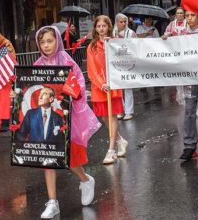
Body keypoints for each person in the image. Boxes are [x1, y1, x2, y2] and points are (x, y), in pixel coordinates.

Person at [33, 26, 101, 219]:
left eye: (50, 41)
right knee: (48, 159)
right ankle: (53, 202)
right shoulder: (37, 64)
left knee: (68, 157)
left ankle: (85, 179)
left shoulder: (66, 60)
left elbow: (78, 83)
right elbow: (31, 88)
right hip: (46, 118)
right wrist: (17, 93)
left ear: (57, 41)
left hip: (65, 117)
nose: (46, 45)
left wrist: (71, 93)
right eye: (43, 42)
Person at [172, 10, 198, 160]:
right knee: (189, 112)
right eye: (187, 16)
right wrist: (166, 40)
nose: (189, 18)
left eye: (192, 15)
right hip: (189, 79)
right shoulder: (182, 34)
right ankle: (189, 146)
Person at [87, 15, 128, 164]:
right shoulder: (91, 47)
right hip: (99, 87)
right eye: (98, 26)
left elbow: (124, 59)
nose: (101, 29)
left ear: (109, 27)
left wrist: (110, 44)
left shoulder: (114, 43)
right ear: (95, 29)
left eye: (104, 26)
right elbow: (91, 69)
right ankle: (120, 140)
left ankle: (111, 150)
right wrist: (101, 83)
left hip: (113, 85)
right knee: (105, 117)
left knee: (112, 117)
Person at [113, 13, 136, 120]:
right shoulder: (113, 33)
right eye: (121, 22)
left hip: (127, 62)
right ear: (116, 22)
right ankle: (120, 110)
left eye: (124, 21)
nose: (123, 23)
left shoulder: (130, 33)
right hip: (116, 62)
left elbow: (136, 45)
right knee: (118, 88)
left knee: (127, 87)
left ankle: (129, 111)